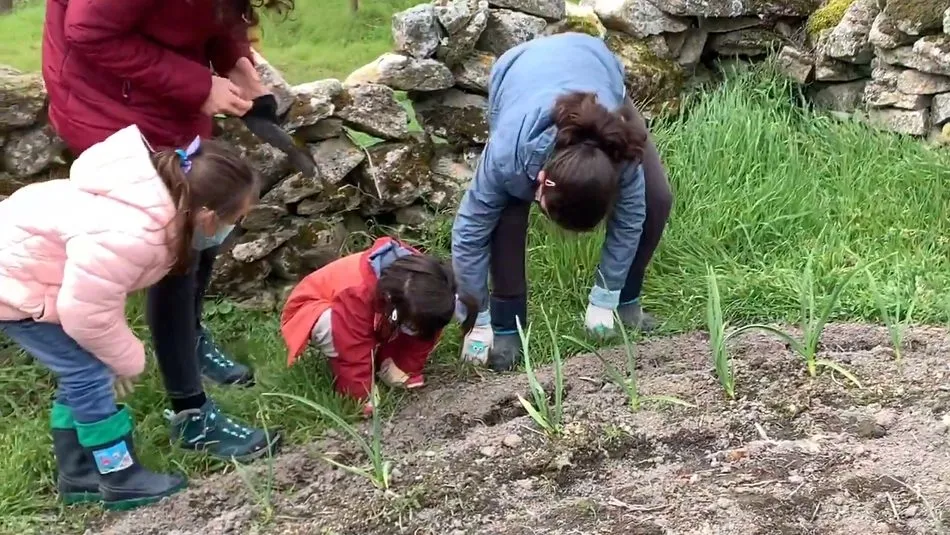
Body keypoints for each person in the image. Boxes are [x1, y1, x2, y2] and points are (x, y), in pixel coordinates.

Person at [40, 0, 292, 460]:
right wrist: (199, 84)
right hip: (106, 99)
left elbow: (210, 10)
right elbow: (90, 32)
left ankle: (188, 341)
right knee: (174, 243)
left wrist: (235, 60)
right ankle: (190, 413)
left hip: (165, 91)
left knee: (207, 213)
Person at [0, 125, 259, 509]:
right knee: (88, 373)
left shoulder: (152, 212)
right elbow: (85, 313)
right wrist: (125, 360)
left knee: (84, 370)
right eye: (235, 218)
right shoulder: (134, 236)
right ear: (206, 217)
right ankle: (119, 476)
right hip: (13, 284)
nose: (232, 228)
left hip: (28, 272)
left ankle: (78, 473)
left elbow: (94, 298)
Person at [452, 32, 674, 372]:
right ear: (540, 182)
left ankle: (625, 301)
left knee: (656, 197)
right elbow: (470, 234)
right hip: (519, 73)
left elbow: (630, 218)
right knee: (506, 215)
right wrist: (475, 317)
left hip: (592, 63)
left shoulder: (620, 148)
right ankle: (505, 325)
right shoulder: (508, 153)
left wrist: (605, 295)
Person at [280, 237, 478, 415]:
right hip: (315, 308)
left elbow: (426, 331)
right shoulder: (356, 292)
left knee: (420, 318)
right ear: (390, 299)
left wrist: (406, 367)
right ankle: (360, 386)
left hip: (384, 309)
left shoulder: (429, 285)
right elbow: (351, 349)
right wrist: (359, 395)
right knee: (335, 328)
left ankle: (387, 361)